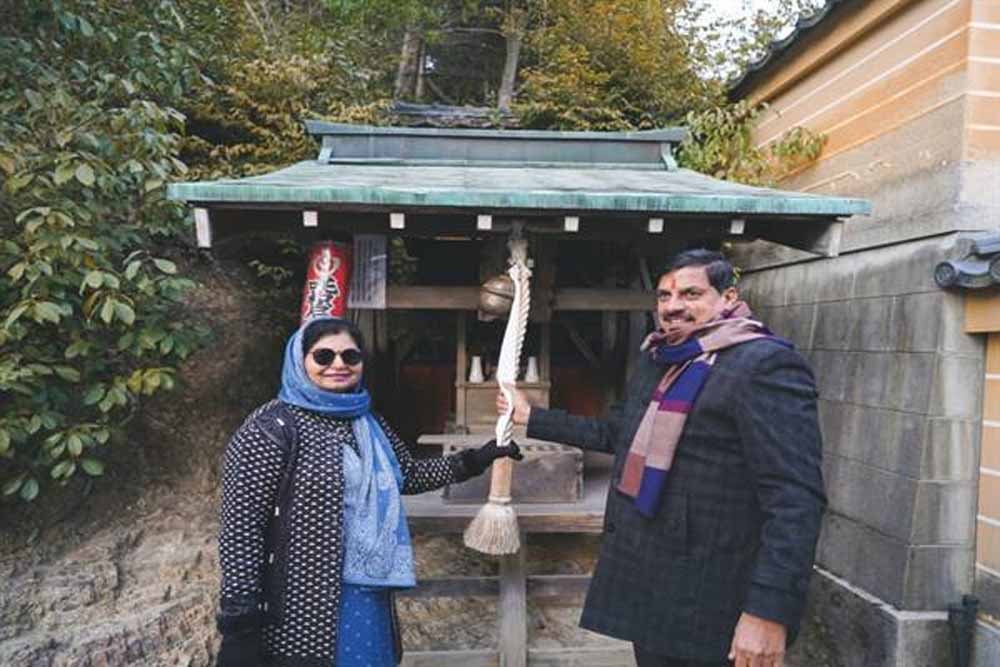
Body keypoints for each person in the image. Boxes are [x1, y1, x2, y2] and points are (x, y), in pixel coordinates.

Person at [499, 249, 826, 667]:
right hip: (655, 589)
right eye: (664, 296)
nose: (672, 307)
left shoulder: (763, 365)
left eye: (690, 294)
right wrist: (532, 417)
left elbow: (795, 499)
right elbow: (618, 433)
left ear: (728, 297)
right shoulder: (660, 359)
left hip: (716, 601)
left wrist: (768, 613)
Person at [216, 316, 521, 667]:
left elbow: (408, 475)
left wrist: (476, 459)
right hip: (299, 600)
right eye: (324, 356)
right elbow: (241, 528)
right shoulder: (273, 428)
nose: (339, 365)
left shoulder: (366, 421)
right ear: (299, 361)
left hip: (367, 587)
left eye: (350, 356)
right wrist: (239, 619)